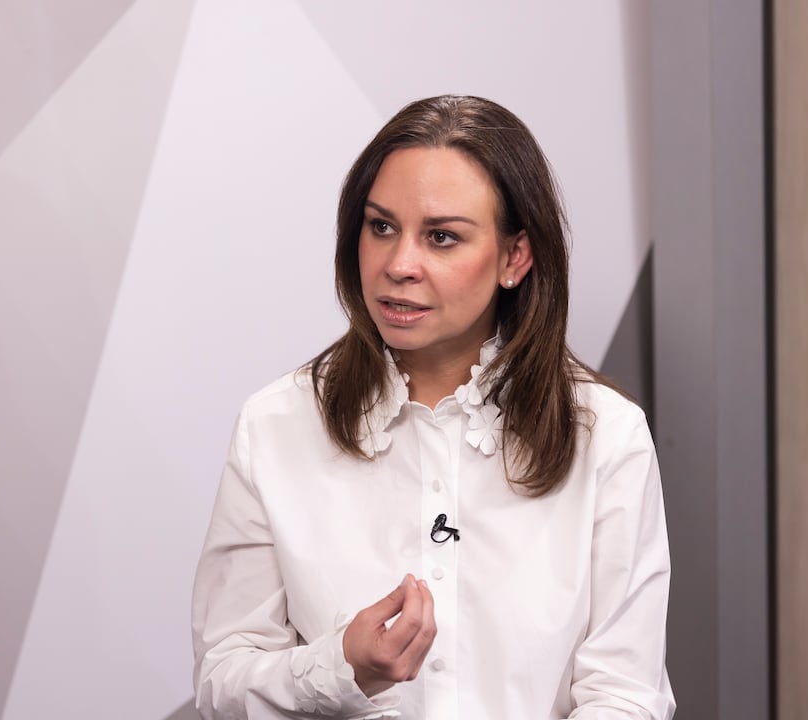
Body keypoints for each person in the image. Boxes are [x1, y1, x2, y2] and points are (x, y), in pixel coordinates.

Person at [191, 95, 675, 719]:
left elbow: (626, 697)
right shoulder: (275, 425)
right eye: (381, 227)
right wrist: (339, 669)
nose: (399, 265)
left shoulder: (606, 436)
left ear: (514, 257)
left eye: (441, 237)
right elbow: (221, 686)